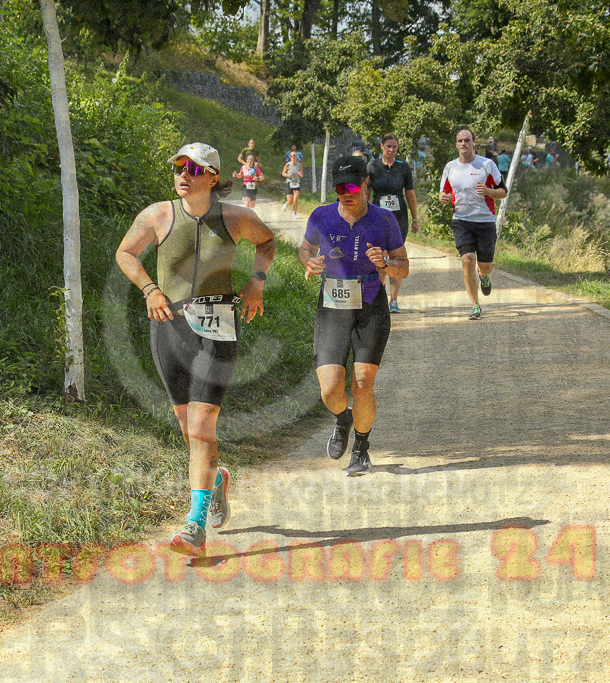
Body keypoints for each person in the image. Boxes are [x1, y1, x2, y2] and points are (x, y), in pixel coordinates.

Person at [115, 142, 275, 556]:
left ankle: (194, 525)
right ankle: (216, 480)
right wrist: (150, 289)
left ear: (214, 177)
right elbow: (126, 253)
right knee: (191, 431)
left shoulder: (236, 217)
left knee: (203, 429)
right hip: (169, 327)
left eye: (194, 168)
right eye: (179, 167)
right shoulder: (158, 215)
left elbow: (267, 243)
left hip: (219, 326)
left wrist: (256, 282)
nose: (183, 174)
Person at [298, 155, 409, 476]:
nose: (345, 192)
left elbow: (403, 268)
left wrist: (385, 264)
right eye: (338, 187)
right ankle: (343, 418)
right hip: (333, 307)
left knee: (362, 384)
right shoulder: (321, 216)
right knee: (331, 390)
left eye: (352, 186)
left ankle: (361, 448)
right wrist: (308, 261)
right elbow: (305, 249)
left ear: (365, 184)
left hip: (371, 306)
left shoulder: (385, 220)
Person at [438, 128, 508, 321]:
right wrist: (443, 198)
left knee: (485, 265)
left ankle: (484, 275)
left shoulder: (487, 165)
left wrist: (488, 191)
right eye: (460, 141)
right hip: (461, 220)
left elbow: (503, 192)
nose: (463, 144)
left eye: (467, 140)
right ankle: (475, 305)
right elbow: (442, 192)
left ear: (473, 143)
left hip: (485, 221)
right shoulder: (450, 167)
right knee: (467, 259)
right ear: (456, 144)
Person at [367, 133, 419, 313]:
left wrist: (415, 219)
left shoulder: (403, 167)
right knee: (380, 256)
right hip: (377, 217)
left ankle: (394, 300)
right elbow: (366, 193)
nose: (391, 150)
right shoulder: (372, 166)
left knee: (396, 258)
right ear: (382, 146)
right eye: (388, 146)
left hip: (399, 218)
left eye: (394, 147)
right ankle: (380, 299)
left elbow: (410, 193)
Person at [282, 151, 304, 219]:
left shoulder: (299, 164)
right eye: (291, 156)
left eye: (294, 155)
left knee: (295, 200)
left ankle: (294, 213)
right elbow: (283, 173)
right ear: (290, 157)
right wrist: (287, 175)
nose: (293, 157)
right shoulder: (288, 164)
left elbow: (301, 174)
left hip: (296, 183)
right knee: (290, 201)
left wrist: (300, 175)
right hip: (289, 183)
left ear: (296, 156)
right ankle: (286, 204)